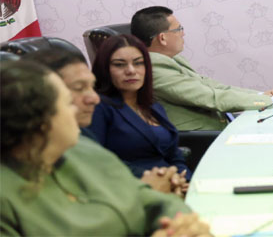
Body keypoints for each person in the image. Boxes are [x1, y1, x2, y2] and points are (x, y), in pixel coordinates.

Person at [0, 60, 210, 236]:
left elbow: (151, 200)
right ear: (39, 121)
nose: (76, 111)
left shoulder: (85, 150)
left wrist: (181, 224)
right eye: (68, 103)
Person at [24, 48, 187, 196]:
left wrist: (178, 180)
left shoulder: (82, 137)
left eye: (91, 87)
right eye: (79, 88)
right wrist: (148, 189)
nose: (94, 99)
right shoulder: (27, 169)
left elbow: (109, 170)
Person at [130, 6, 273, 131]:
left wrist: (262, 96)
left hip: (217, 127)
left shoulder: (172, 59)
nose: (183, 33)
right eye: (178, 29)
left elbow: (214, 86)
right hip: (200, 138)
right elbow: (211, 98)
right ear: (162, 38)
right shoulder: (154, 67)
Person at [88, 34, 191, 183]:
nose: (131, 71)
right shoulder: (98, 108)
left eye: (138, 63)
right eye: (119, 65)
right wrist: (161, 180)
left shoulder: (153, 106)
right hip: (133, 188)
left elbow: (175, 156)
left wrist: (184, 180)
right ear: (105, 69)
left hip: (172, 186)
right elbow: (97, 161)